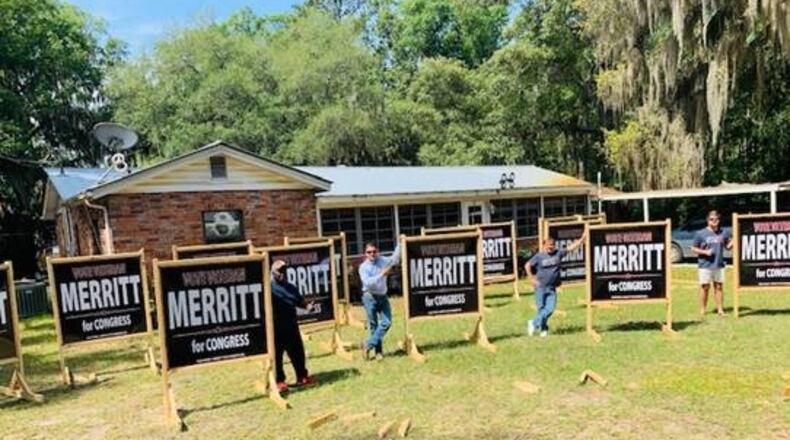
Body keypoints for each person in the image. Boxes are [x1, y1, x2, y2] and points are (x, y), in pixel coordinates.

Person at [524, 234, 585, 337]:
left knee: (550, 309)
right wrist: (532, 279)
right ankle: (544, 329)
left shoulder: (558, 254)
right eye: (548, 245)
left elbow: (571, 248)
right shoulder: (539, 256)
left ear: (555, 245)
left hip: (552, 288)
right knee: (542, 309)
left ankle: (533, 323)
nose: (550, 247)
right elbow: (527, 265)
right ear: (544, 245)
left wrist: (582, 239)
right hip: (540, 288)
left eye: (552, 245)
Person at [270, 260, 317, 393]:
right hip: (275, 329)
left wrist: (308, 307)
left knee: (298, 353)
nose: (282, 274)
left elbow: (300, 302)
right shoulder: (269, 288)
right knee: (277, 356)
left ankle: (302, 377)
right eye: (279, 271)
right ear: (273, 272)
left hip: (291, 326)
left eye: (284, 270)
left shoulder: (291, 287)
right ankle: (279, 381)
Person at [358, 241, 400, 360]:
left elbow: (395, 259)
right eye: (369, 252)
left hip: (383, 296)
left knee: (387, 322)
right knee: (374, 325)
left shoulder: (382, 260)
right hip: (369, 297)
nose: (372, 254)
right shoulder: (363, 267)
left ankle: (368, 345)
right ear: (365, 254)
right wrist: (382, 274)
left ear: (378, 251)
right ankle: (378, 352)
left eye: (374, 251)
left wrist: (400, 244)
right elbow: (368, 283)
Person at [691, 210, 732, 316]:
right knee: (705, 287)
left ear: (719, 220)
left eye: (716, 219)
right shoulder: (700, 233)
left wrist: (734, 240)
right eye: (711, 219)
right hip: (705, 265)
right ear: (707, 220)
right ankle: (703, 310)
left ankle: (720, 310)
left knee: (719, 286)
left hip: (719, 264)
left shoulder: (724, 232)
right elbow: (693, 248)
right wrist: (705, 252)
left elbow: (727, 247)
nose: (714, 221)